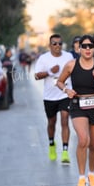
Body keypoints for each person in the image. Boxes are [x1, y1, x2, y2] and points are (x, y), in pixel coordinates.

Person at [57, 35, 94, 186]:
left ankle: (91, 174)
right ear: (79, 48)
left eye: (90, 46)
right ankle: (81, 178)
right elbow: (59, 81)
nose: (87, 49)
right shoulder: (71, 65)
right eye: (84, 46)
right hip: (78, 105)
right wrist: (66, 90)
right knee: (83, 140)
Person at [34, 34, 73, 164]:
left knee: (64, 120)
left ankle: (65, 151)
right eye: (54, 43)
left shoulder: (68, 57)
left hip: (64, 94)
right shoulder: (44, 58)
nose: (57, 46)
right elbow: (37, 76)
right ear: (50, 45)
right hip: (50, 97)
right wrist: (50, 72)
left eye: (60, 43)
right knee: (52, 122)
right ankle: (51, 144)